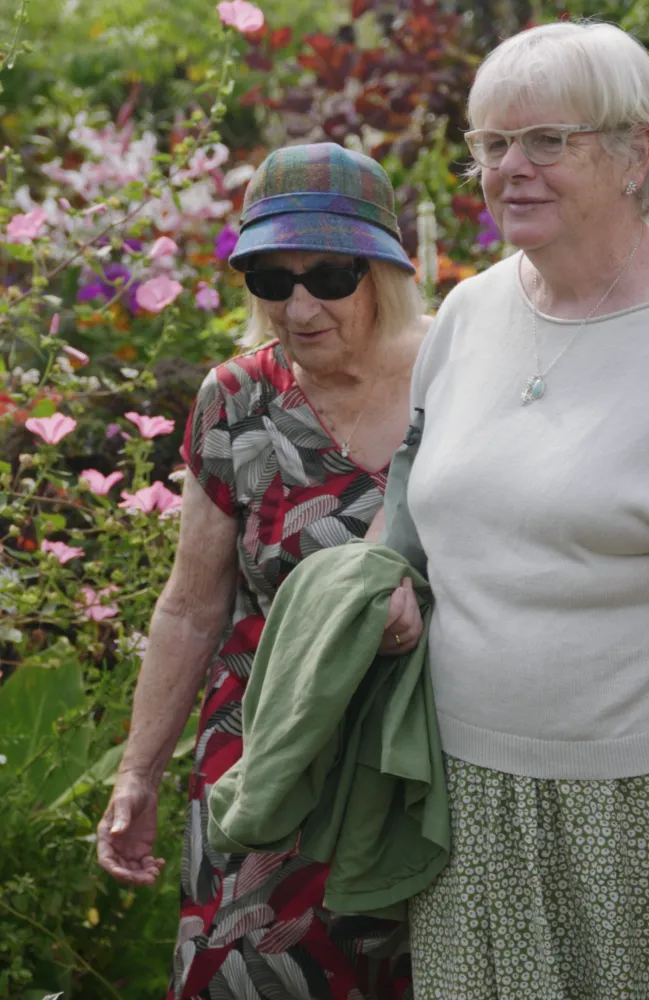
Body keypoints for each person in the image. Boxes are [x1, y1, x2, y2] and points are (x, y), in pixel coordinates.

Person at [378, 21, 649, 998]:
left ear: (634, 153)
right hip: (466, 804)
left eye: (546, 140)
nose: (510, 168)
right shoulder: (470, 313)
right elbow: (415, 487)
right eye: (493, 143)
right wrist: (386, 575)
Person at [97, 142, 427, 1000]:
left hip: (416, 761)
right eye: (272, 280)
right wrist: (138, 773)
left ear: (384, 274)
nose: (298, 306)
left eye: (330, 276)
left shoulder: (456, 379)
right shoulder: (237, 398)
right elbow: (189, 608)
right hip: (264, 755)